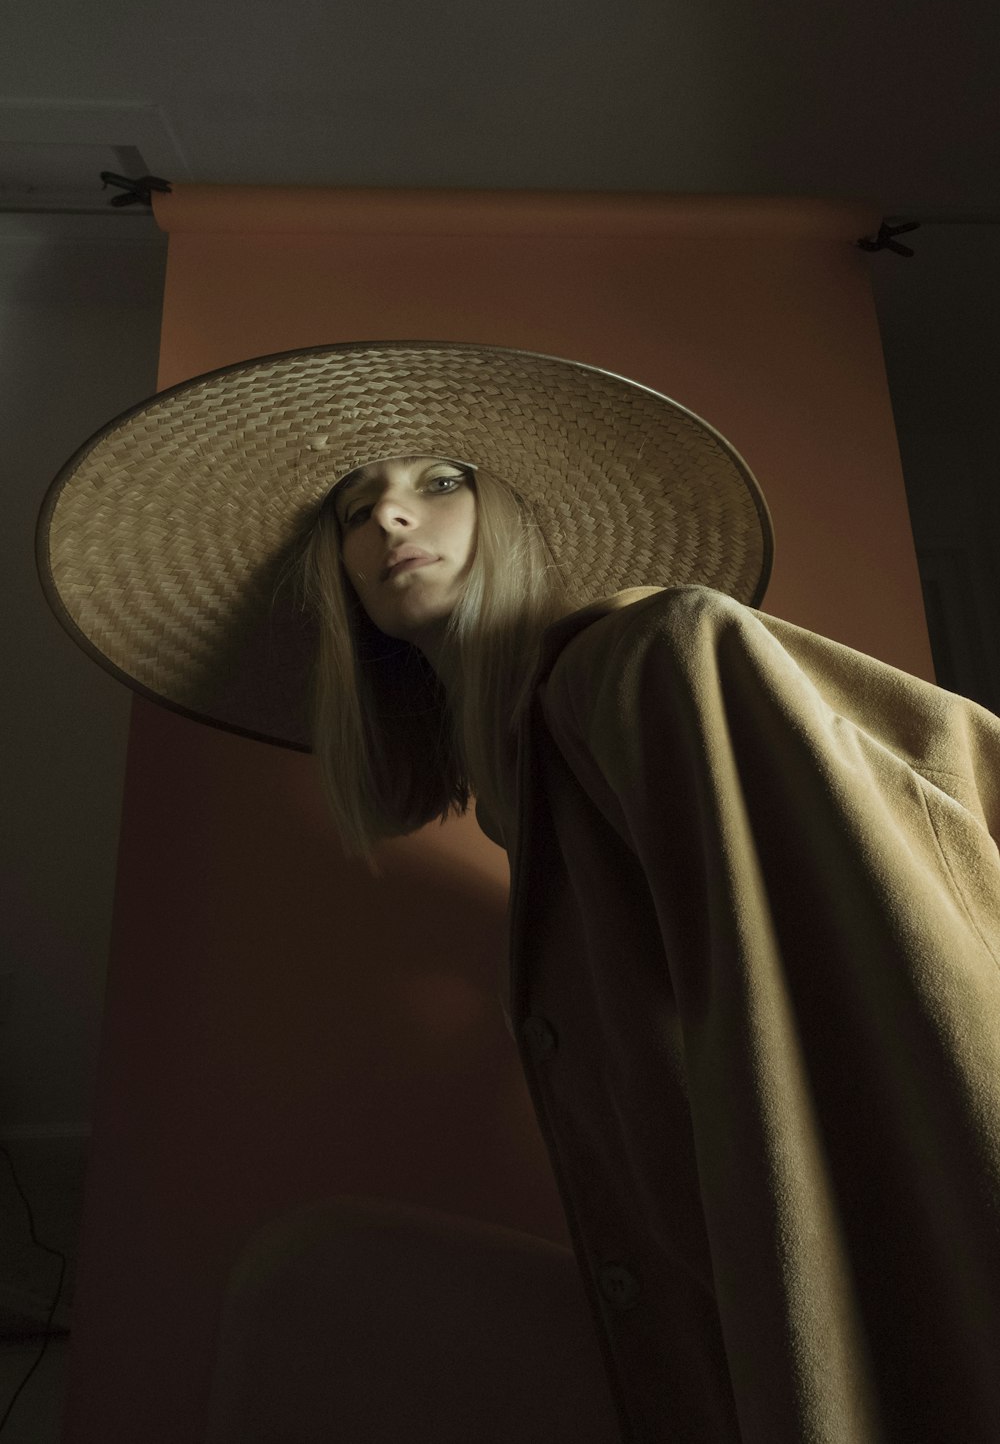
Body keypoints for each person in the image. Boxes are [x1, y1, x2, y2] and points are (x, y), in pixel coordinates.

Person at [38, 342, 1000, 1442]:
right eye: (359, 509)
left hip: (824, 1273)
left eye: (439, 481)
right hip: (693, 1294)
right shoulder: (526, 794)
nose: (391, 520)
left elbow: (893, 978)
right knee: (312, 1280)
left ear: (517, 521)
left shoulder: (636, 665)